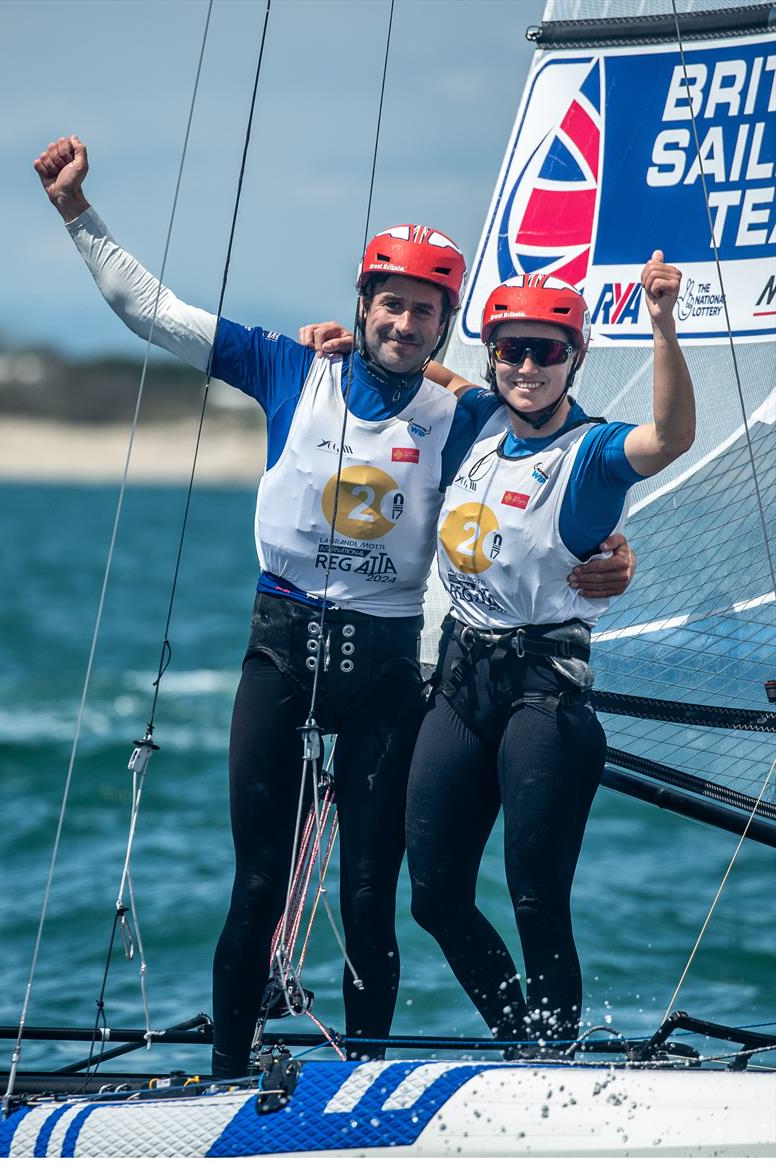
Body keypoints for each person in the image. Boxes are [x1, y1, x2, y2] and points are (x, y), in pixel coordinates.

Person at [34, 134, 635, 1073]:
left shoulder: (463, 412)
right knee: (258, 888)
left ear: (444, 329)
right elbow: (153, 313)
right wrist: (77, 211)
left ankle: (364, 1073)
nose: (403, 322)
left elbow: (564, 444)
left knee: (368, 894)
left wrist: (613, 551)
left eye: (424, 311)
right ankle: (230, 1075)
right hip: (278, 658)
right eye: (390, 303)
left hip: (390, 679)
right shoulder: (289, 368)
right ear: (360, 306)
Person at [401, 265, 695, 1054]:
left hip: (545, 696)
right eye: (511, 350)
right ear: (493, 353)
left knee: (535, 898)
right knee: (432, 896)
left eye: (546, 352)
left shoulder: (593, 452)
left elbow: (669, 438)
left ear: (576, 358)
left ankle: (553, 1056)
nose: (527, 368)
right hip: (462, 682)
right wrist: (334, 345)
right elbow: (428, 362)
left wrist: (664, 326)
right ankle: (521, 1040)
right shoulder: (474, 419)